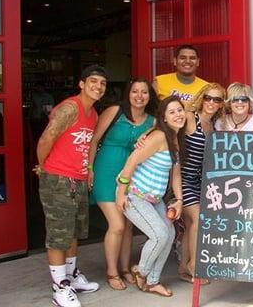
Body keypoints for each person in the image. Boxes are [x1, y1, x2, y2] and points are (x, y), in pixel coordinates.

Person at [36, 65, 108, 307]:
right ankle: (60, 287)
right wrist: (42, 166)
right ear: (81, 83)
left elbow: (88, 145)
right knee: (58, 235)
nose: (98, 87)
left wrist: (87, 170)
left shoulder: (93, 113)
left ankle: (72, 276)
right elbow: (46, 138)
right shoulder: (70, 108)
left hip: (77, 179)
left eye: (102, 83)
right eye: (93, 81)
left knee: (74, 231)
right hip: (58, 179)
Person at [87, 78, 158, 290]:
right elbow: (94, 140)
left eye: (144, 92)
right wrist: (89, 169)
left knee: (128, 225)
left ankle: (125, 268)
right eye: (134, 91)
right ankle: (111, 271)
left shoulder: (152, 121)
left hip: (130, 177)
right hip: (105, 173)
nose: (139, 96)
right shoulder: (115, 111)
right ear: (128, 94)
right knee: (117, 224)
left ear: (149, 96)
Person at [115, 96, 187, 298]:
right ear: (163, 117)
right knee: (160, 235)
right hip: (134, 194)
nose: (178, 115)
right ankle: (142, 272)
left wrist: (179, 200)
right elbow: (131, 161)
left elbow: (176, 174)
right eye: (171, 112)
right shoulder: (158, 137)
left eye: (180, 110)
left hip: (153, 198)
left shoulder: (175, 138)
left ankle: (152, 282)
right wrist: (121, 194)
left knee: (170, 234)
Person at [178, 83, 226, 284]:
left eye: (217, 99)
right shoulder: (190, 118)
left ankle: (183, 269)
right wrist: (145, 138)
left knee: (191, 225)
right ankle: (194, 266)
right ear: (201, 98)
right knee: (198, 220)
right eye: (208, 97)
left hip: (201, 182)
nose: (212, 103)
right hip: (181, 181)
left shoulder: (215, 125)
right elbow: (165, 129)